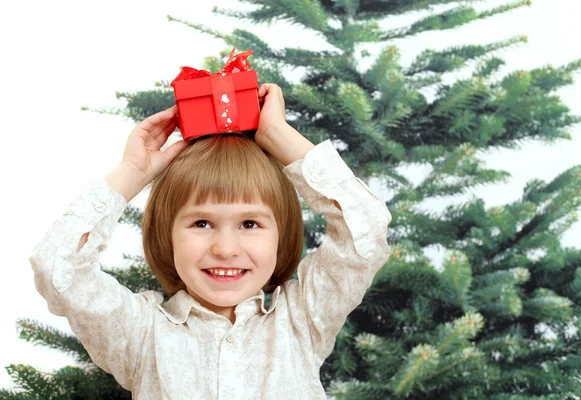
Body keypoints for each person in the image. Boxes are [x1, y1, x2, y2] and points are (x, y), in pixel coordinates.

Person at [29, 83, 392, 399]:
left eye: (250, 223)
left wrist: (280, 138)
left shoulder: (303, 319)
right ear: (166, 234)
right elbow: (58, 268)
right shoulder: (140, 335)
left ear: (280, 236)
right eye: (202, 222)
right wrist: (131, 175)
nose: (225, 248)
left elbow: (366, 232)